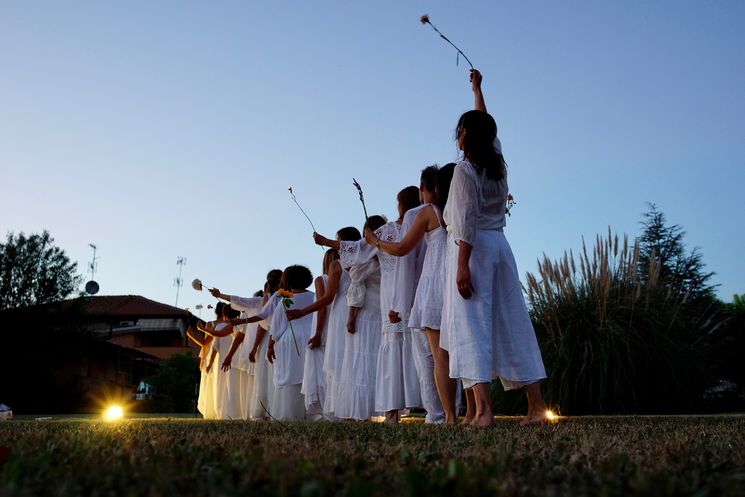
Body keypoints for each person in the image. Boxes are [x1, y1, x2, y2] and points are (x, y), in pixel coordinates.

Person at [441, 69, 548, 426]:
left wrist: (461, 266)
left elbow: (466, 222)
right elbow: (488, 124)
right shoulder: (497, 163)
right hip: (501, 247)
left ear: (465, 134)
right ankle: (535, 407)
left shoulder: (464, 171)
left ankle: (484, 411)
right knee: (513, 320)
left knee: (472, 325)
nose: (457, 135)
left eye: (460, 130)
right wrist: (477, 90)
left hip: (475, 251)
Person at [365, 163, 457, 423]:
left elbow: (403, 250)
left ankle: (439, 414)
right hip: (452, 279)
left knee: (430, 355)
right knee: (451, 350)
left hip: (431, 283)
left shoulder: (422, 212)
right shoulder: (452, 210)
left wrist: (375, 242)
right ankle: (460, 409)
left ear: (425, 188)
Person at [287, 227, 359, 420]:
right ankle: (355, 407)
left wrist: (302, 312)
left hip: (341, 310)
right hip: (359, 308)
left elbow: (327, 299)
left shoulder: (338, 265)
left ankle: (342, 409)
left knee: (340, 360)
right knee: (353, 358)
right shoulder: (364, 259)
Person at [232, 265, 316, 420]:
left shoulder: (283, 296)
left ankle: (289, 413)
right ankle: (311, 413)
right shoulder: (315, 296)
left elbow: (272, 321)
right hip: (310, 339)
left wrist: (270, 345)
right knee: (307, 374)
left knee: (290, 376)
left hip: (289, 341)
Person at [301, 249, 338, 420]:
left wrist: (317, 332)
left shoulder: (321, 279)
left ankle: (327, 410)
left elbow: (321, 306)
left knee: (322, 371)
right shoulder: (346, 277)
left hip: (323, 328)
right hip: (336, 326)